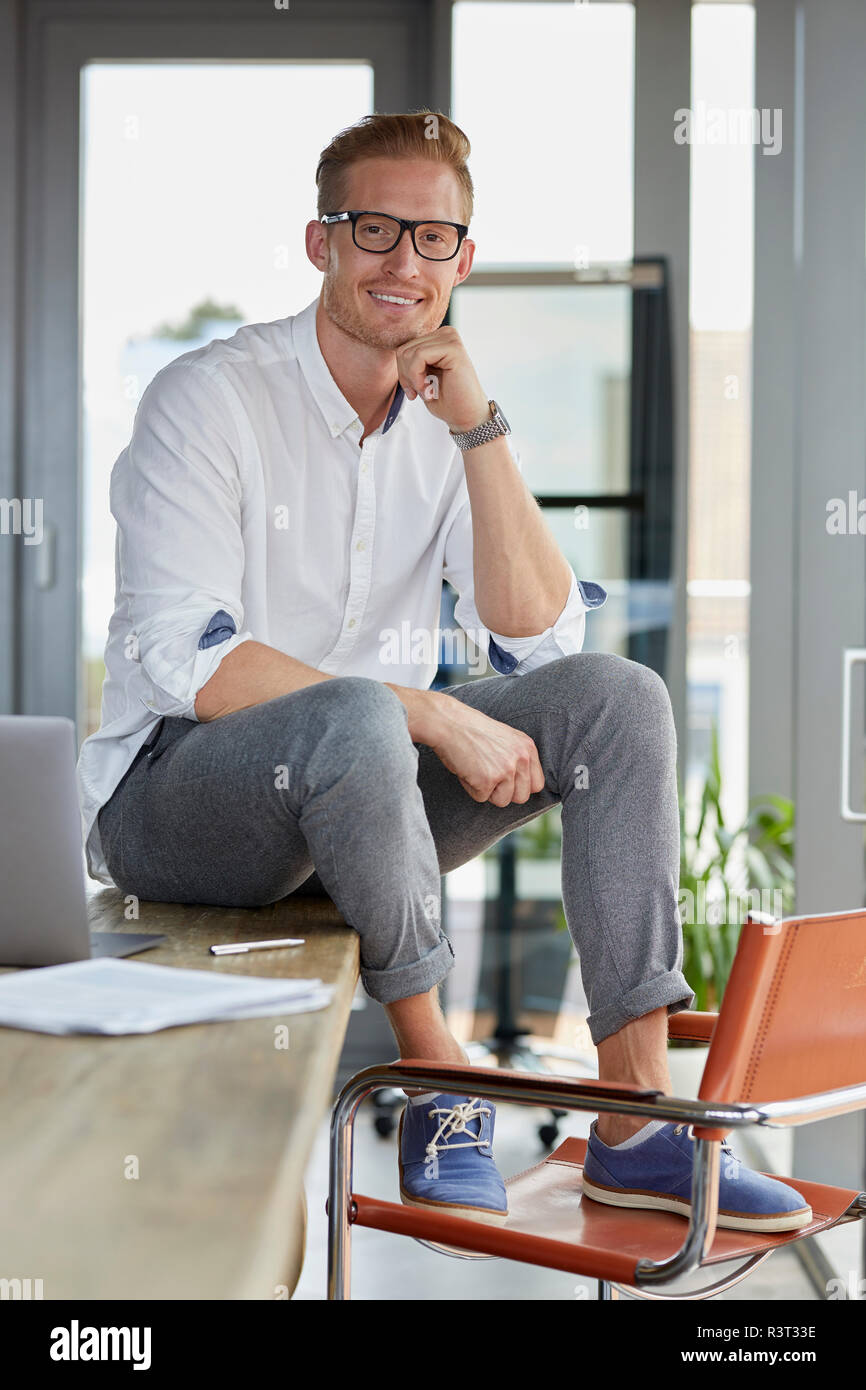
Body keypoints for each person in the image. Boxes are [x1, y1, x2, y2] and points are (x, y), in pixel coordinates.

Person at [77, 109, 811, 1236]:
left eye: (432, 239)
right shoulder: (208, 398)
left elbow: (536, 641)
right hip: (185, 798)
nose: (400, 262)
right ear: (319, 241)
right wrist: (419, 710)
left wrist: (480, 432)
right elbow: (189, 657)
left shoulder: (444, 409)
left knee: (618, 701)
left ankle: (633, 1120)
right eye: (373, 228)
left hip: (367, 788)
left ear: (462, 261)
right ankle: (436, 1077)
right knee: (361, 714)